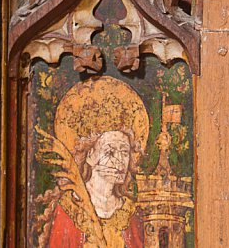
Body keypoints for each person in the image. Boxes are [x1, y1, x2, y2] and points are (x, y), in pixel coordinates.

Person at [36, 78, 149, 247]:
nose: (119, 162)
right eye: (110, 151)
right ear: (90, 156)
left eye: (125, 152)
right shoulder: (70, 209)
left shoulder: (130, 214)